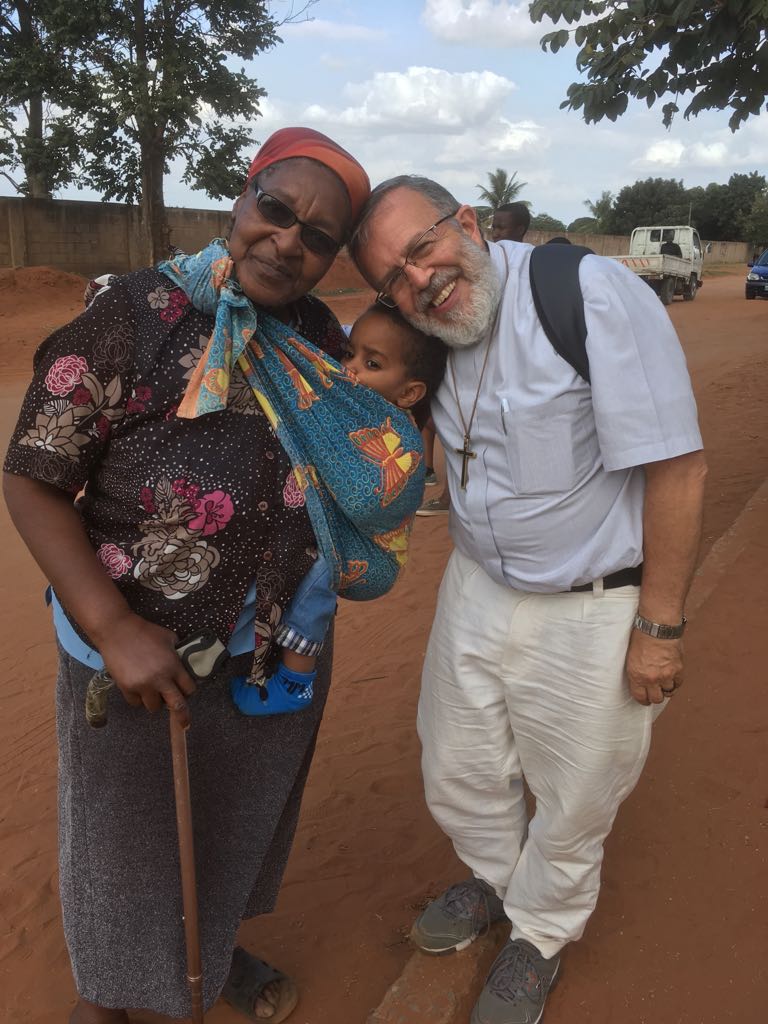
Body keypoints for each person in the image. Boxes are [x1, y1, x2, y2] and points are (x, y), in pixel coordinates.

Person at [2, 129, 427, 1024]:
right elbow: (33, 475)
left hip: (271, 657)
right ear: (241, 201)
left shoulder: (317, 335)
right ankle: (110, 1001)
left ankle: (209, 948)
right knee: (126, 853)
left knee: (229, 829)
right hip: (134, 664)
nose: (288, 242)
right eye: (276, 212)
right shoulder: (131, 317)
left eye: (317, 237)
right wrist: (114, 630)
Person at [349, 175, 706, 1024]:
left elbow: (678, 468)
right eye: (393, 278)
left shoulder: (587, 295)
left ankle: (540, 934)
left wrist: (658, 628)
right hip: (475, 588)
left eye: (422, 248)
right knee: (458, 762)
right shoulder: (429, 332)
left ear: (464, 223)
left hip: (591, 605)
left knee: (579, 788)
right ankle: (495, 880)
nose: (419, 281)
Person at [232, 301, 447, 715]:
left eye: (372, 363)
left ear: (408, 392)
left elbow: (373, 496)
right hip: (346, 531)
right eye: (350, 354)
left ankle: (297, 678)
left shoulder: (396, 430)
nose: (350, 368)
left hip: (370, 555)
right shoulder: (347, 406)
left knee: (318, 579)